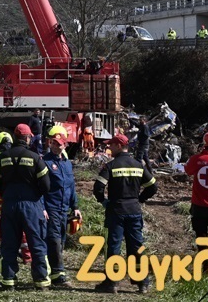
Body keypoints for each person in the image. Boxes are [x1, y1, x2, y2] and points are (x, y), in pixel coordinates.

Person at [93, 133, 157, 294]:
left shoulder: (111, 166)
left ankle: (112, 283)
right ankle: (142, 283)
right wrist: (140, 199)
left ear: (119, 146)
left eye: (111, 145)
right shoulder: (138, 165)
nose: (109, 148)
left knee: (114, 247)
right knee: (136, 247)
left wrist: (104, 201)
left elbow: (98, 188)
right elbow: (153, 186)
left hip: (116, 211)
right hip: (134, 210)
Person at [0, 123, 52, 291]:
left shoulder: (1, 158)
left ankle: (9, 280)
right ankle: (41, 281)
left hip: (9, 204)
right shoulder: (35, 158)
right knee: (37, 243)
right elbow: (46, 185)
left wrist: (8, 193)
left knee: (9, 243)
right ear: (27, 138)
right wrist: (34, 195)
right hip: (31, 205)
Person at [0, 132, 32, 264]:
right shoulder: (16, 157)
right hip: (16, 199)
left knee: (3, 230)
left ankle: (8, 256)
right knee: (22, 228)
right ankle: (27, 256)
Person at [41, 125, 80, 288]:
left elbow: (71, 187)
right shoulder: (45, 162)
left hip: (64, 208)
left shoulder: (67, 164)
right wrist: (42, 207)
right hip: (51, 208)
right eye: (54, 143)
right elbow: (40, 188)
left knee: (62, 239)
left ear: (65, 145)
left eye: (60, 144)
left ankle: (56, 271)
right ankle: (58, 275)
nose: (57, 146)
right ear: (50, 144)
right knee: (54, 239)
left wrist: (75, 206)